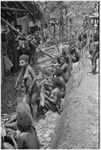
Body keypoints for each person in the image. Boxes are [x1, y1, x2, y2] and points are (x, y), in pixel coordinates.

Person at [15, 54, 39, 119]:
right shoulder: (23, 69)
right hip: (28, 90)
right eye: (19, 62)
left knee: (33, 104)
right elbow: (20, 79)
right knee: (27, 104)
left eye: (22, 62)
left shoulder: (29, 68)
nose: (20, 64)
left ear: (27, 62)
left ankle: (34, 120)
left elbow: (35, 78)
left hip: (34, 90)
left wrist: (30, 86)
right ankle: (29, 119)